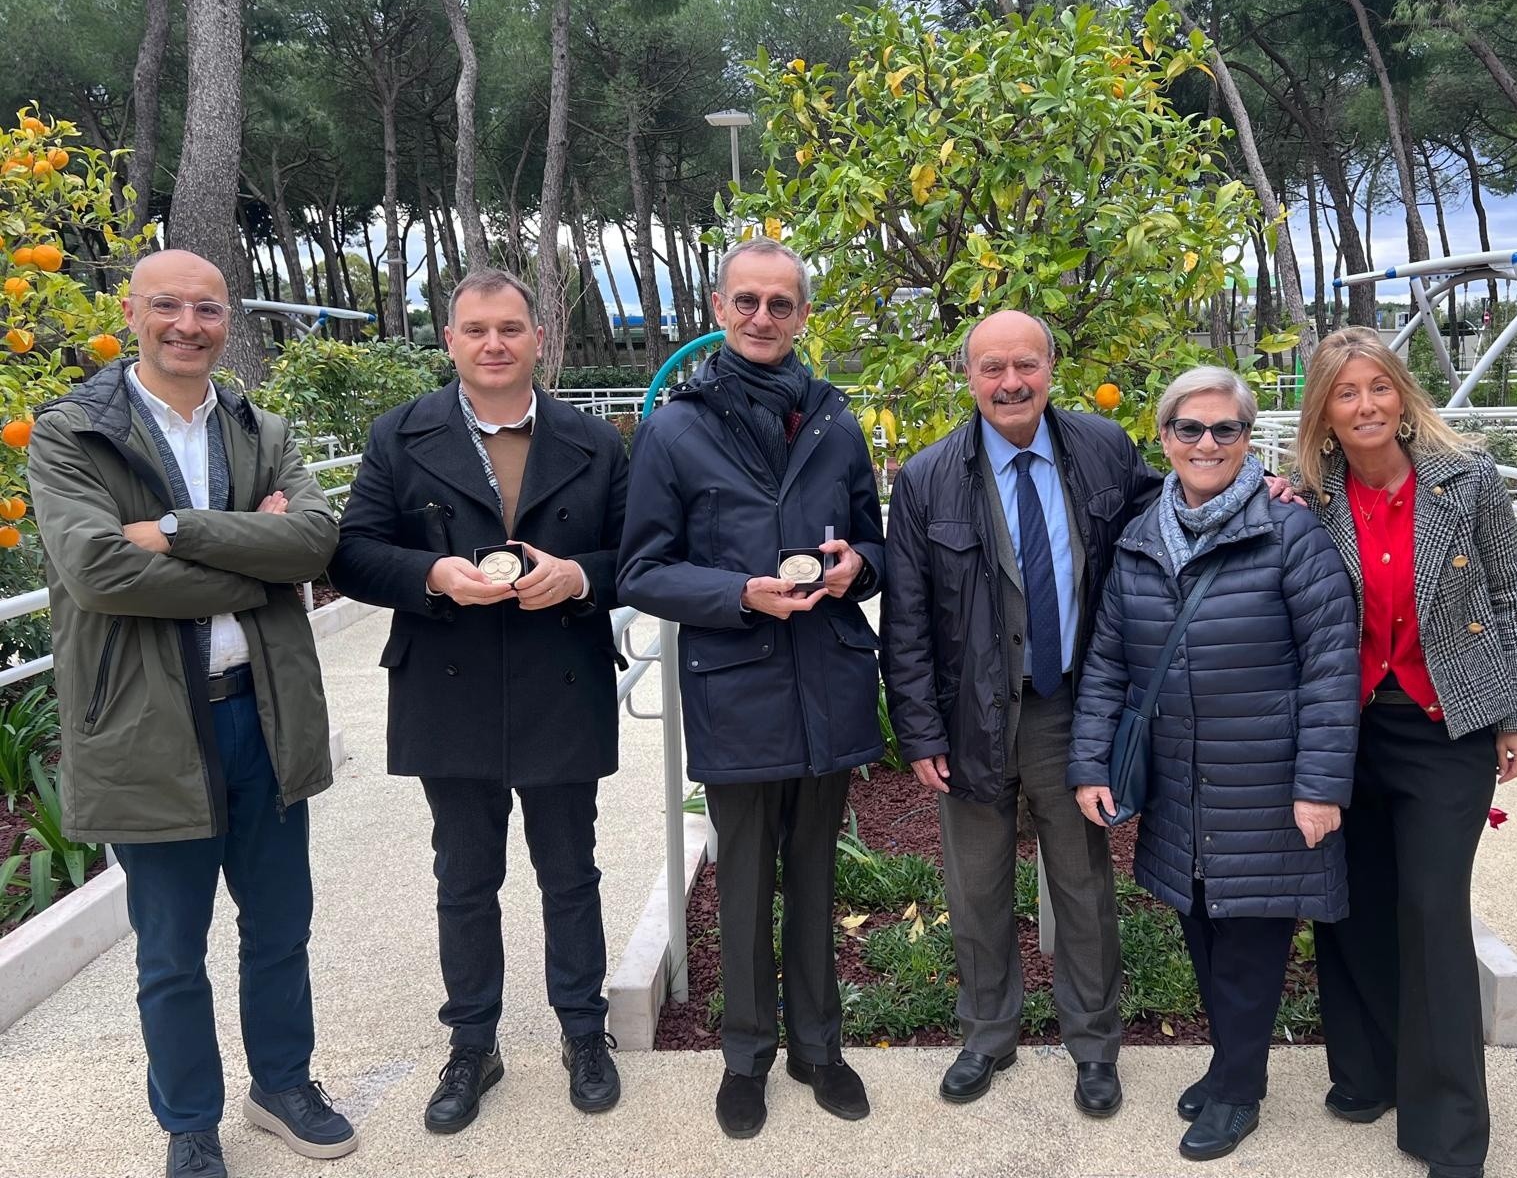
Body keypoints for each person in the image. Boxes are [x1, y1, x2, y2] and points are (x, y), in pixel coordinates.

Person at [27, 249, 355, 1178]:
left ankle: (281, 1085)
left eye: (207, 308)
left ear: (227, 318)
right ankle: (189, 1123)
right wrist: (256, 568)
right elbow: (99, 571)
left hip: (265, 715)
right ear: (130, 313)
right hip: (146, 728)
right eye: (167, 305)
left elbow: (314, 542)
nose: (187, 325)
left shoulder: (260, 428)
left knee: (280, 927)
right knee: (171, 950)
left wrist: (174, 532)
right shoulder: (72, 434)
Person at [329, 269, 629, 1133]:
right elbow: (352, 553)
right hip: (447, 682)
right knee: (464, 878)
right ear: (450, 340)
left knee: (570, 872)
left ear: (539, 337)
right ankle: (472, 1044)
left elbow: (638, 554)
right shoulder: (399, 435)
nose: (493, 344)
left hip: (560, 678)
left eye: (510, 328)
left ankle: (584, 1032)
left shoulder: (595, 441)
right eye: (475, 330)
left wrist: (579, 577)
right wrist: (432, 573)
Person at [617, 237, 885, 1140]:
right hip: (736, 688)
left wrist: (856, 566)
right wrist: (739, 593)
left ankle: (818, 1047)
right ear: (719, 308)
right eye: (747, 301)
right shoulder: (675, 429)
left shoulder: (835, 421)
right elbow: (643, 570)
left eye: (780, 303)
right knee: (741, 885)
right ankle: (745, 1056)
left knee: (814, 875)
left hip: (827, 684)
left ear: (802, 314)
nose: (763, 317)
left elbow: (874, 545)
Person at [1067, 366, 1361, 1161]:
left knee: (1250, 943)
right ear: (1164, 438)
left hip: (1266, 782)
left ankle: (1238, 1090)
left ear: (1246, 439)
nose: (1207, 443)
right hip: (1180, 784)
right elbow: (1108, 665)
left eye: (1224, 429)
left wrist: (1319, 786)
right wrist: (1091, 763)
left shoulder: (1290, 535)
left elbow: (1331, 668)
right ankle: (1232, 1062)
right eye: (1189, 429)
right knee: (1202, 928)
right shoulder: (1140, 539)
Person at [880, 309, 1163, 1114]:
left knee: (1083, 884)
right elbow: (906, 619)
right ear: (969, 377)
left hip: (1071, 710)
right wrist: (919, 730)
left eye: (1026, 365)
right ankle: (987, 1035)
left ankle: (1094, 1045)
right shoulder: (928, 478)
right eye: (993, 368)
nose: (1011, 383)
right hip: (970, 715)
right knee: (976, 888)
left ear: (1051, 368)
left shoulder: (1104, 449)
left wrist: (1261, 488)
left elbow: (1173, 510)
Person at [1294, 327, 1517, 1178]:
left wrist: (1515, 716)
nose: (1365, 406)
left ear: (1402, 396)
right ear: (1324, 411)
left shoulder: (1466, 478)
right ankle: (1369, 1074)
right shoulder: (1307, 496)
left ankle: (1450, 1129)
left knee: (1433, 912)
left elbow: (1506, 595)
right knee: (1351, 904)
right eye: (1346, 392)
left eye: (1379, 388)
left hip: (1446, 728)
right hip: (1346, 728)